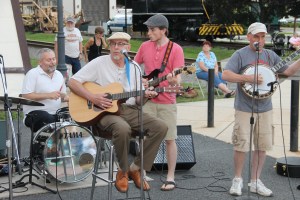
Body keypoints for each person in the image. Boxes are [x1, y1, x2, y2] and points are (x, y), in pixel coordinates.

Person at [68, 32, 168, 193]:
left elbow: (138, 101)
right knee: (122, 128)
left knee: (161, 127)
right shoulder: (99, 62)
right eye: (113, 44)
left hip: (128, 109)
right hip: (103, 113)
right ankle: (122, 170)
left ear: (128, 47)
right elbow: (72, 82)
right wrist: (93, 98)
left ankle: (135, 168)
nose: (116, 47)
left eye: (121, 44)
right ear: (109, 47)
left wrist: (146, 96)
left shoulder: (134, 67)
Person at [222, 22, 300, 197]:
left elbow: (287, 71)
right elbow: (226, 74)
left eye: (263, 36)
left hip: (265, 108)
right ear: (249, 37)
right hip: (244, 108)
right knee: (241, 144)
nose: (260, 40)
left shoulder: (270, 55)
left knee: (262, 146)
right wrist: (247, 77)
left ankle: (256, 181)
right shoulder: (240, 55)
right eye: (256, 36)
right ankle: (237, 180)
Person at [134, 14, 184, 191]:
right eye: (148, 29)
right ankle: (142, 172)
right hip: (147, 99)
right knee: (144, 137)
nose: (148, 33)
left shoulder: (176, 49)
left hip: (167, 100)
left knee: (170, 139)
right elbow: (133, 67)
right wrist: (142, 81)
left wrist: (173, 81)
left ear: (163, 30)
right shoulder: (144, 46)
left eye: (152, 29)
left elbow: (177, 79)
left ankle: (170, 177)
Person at [21, 48, 69, 133]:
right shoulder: (32, 74)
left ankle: (70, 145)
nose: (52, 62)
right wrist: (48, 95)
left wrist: (68, 98)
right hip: (34, 114)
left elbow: (62, 97)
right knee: (47, 118)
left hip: (55, 113)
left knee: (71, 114)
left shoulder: (59, 75)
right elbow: (26, 96)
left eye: (54, 59)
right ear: (40, 62)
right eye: (49, 60)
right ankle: (49, 145)